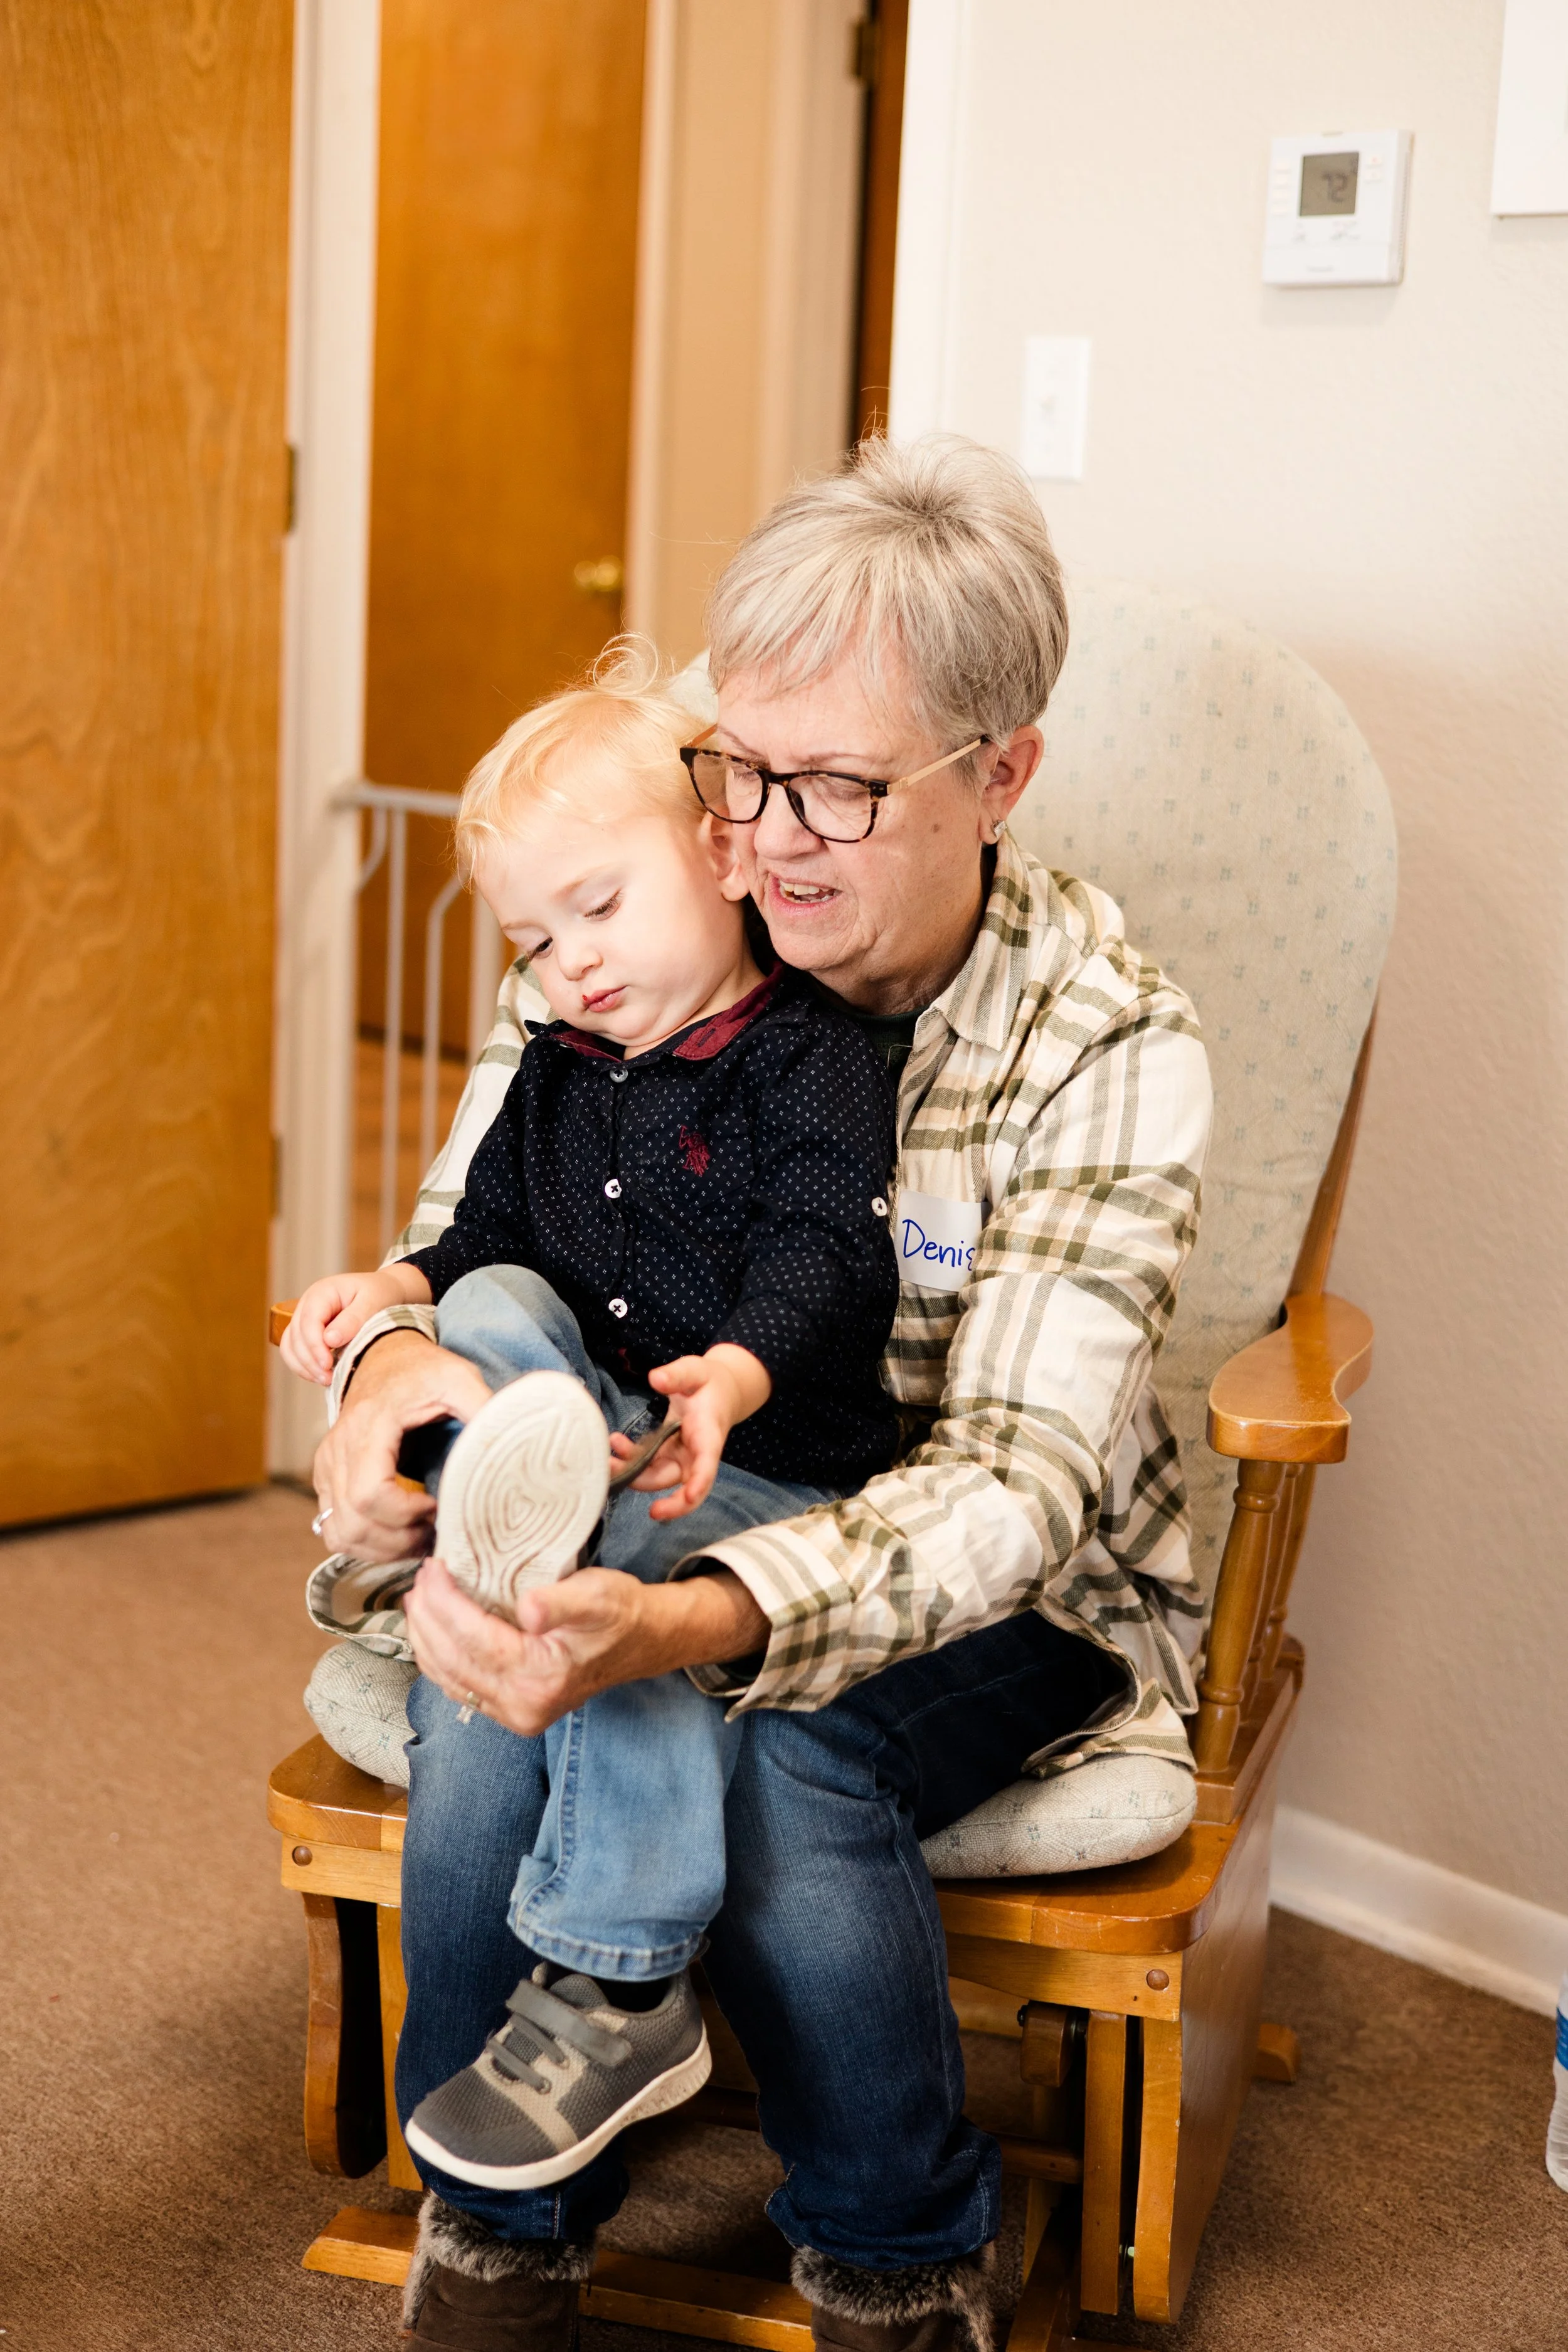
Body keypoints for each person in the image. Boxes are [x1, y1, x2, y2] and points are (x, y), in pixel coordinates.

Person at [311, 435, 1214, 2352]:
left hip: (1004, 1584)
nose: (762, 836)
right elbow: (469, 1240)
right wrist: (389, 1389)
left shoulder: (1104, 1039)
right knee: (499, 1680)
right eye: (738, 764)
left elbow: (1020, 1485)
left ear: (1000, 775)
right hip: (667, 1488)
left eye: (838, 787)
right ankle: (503, 2215)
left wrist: (682, 1618)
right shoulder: (641, 916)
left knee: (784, 1751)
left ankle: (897, 2260)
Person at [283, 656, 901, 2186]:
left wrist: (739, 1372)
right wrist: (385, 1288)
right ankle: (499, 1478)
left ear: (716, 854)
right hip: (603, 1431)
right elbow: (484, 1225)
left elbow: (828, 1250)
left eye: (599, 909)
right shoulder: (558, 1067)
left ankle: (621, 1971)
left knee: (577, 1608)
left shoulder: (814, 1053)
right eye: (535, 938)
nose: (569, 964)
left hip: (763, 1470)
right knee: (487, 1287)